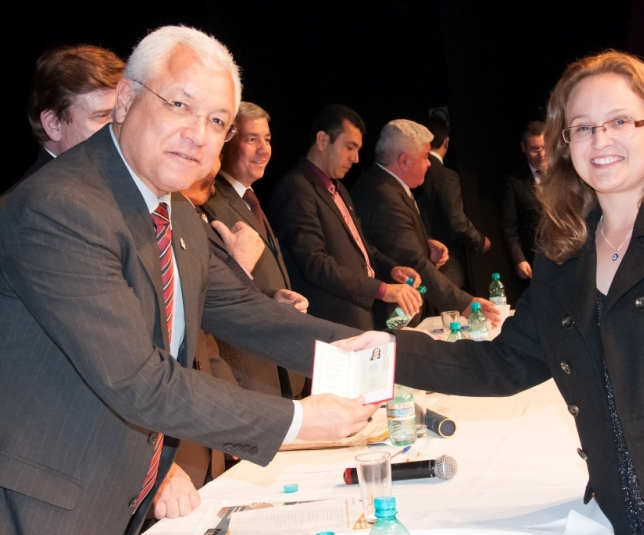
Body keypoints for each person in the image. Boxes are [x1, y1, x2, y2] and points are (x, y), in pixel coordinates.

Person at [347, 51, 644, 535]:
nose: (600, 140)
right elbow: (502, 362)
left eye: (620, 121)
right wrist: (389, 353)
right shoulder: (564, 251)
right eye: (582, 127)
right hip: (624, 514)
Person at [0, 26, 377, 535]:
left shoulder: (156, 206)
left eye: (216, 121)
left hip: (120, 480)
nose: (116, 128)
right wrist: (297, 422)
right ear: (53, 123)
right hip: (49, 498)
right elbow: (127, 375)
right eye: (102, 117)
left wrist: (371, 350)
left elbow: (230, 316)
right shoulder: (52, 208)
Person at [270, 104, 422, 331]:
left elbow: (362, 248)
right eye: (350, 147)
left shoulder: (338, 188)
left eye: (358, 149)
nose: (356, 158)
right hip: (332, 324)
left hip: (362, 319)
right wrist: (382, 290)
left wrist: (392, 270)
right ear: (323, 140)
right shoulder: (296, 188)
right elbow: (315, 263)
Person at [201, 102, 309, 398]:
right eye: (252, 139)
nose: (264, 150)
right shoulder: (209, 201)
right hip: (246, 369)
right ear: (226, 142)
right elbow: (211, 289)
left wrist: (275, 298)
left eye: (268, 139)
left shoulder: (249, 199)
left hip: (278, 359)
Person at [350, 119, 499, 325]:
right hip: (390, 316)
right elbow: (411, 262)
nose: (429, 163)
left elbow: (391, 238)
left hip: (397, 308)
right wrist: (465, 303)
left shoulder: (383, 185)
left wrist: (424, 242)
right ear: (404, 161)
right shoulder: (383, 197)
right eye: (425, 157)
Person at [13, 45, 125, 188]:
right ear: (53, 124)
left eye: (123, 112)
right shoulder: (36, 199)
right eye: (102, 116)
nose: (121, 125)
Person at [414, 116, 490, 290]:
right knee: (450, 303)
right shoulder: (446, 176)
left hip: (417, 256)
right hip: (445, 259)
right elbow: (456, 221)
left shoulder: (411, 173)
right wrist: (479, 240)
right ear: (446, 142)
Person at [501, 120, 546, 280]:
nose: (541, 154)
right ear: (523, 147)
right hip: (537, 261)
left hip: (571, 257)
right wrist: (519, 259)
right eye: (535, 149)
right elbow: (509, 228)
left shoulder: (564, 174)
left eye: (544, 147)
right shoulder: (514, 182)